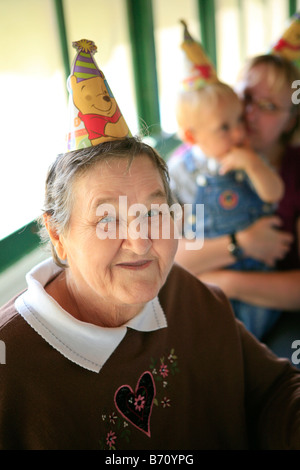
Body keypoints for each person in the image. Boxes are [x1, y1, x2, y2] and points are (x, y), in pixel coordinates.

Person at [1, 135, 300, 450]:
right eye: (108, 220)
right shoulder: (10, 367)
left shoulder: (181, 290)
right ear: (57, 234)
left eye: (154, 213)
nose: (141, 243)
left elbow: (274, 391)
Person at [170, 20, 300, 361]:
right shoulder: (189, 166)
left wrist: (228, 283)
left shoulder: (291, 171)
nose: (250, 113)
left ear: (291, 119)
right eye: (245, 98)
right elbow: (169, 257)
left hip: (275, 311)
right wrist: (239, 243)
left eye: (270, 106)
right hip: (205, 301)